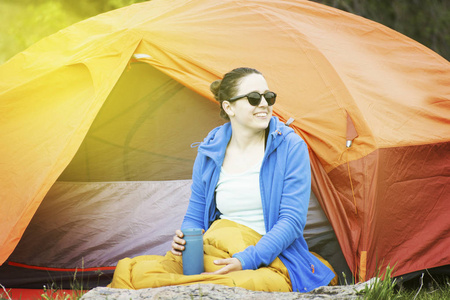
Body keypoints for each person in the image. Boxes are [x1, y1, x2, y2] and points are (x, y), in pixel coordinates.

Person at [109, 67, 336, 292]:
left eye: (268, 97)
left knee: (247, 286)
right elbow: (195, 216)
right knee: (139, 273)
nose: (264, 104)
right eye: (254, 98)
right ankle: (194, 286)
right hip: (218, 250)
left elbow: (291, 221)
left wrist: (245, 260)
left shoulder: (289, 146)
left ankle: (193, 288)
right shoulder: (210, 151)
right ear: (229, 107)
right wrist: (185, 238)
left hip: (268, 256)